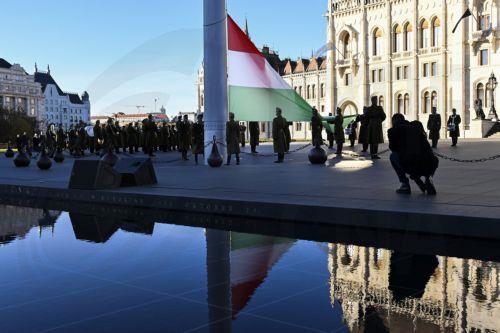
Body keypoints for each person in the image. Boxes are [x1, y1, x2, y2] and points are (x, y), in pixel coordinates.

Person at [388, 113, 438, 195]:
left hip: (411, 165)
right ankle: (429, 178)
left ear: (394, 121)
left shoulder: (393, 131)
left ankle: (405, 185)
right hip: (429, 163)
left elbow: (393, 148)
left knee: (393, 156)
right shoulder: (417, 126)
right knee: (432, 158)